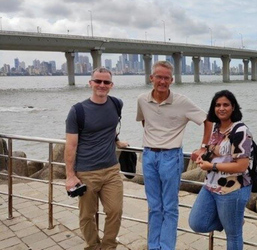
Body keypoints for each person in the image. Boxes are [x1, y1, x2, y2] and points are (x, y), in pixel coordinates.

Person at [136, 60, 212, 250]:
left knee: (169, 206)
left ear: (172, 80)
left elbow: (208, 120)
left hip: (171, 157)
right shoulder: (142, 100)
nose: (162, 81)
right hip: (148, 156)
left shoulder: (182, 102)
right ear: (151, 78)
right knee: (154, 206)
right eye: (158, 77)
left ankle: (167, 247)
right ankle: (154, 246)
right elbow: (145, 122)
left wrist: (204, 147)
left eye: (166, 78)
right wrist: (155, 138)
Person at [65, 67, 128, 250]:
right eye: (98, 81)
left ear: (111, 85)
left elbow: (110, 126)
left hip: (111, 170)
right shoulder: (77, 111)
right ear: (90, 83)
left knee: (115, 211)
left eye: (106, 82)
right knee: (87, 215)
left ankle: (108, 247)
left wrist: (117, 141)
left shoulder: (117, 104)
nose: (102, 85)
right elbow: (71, 145)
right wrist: (70, 175)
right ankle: (92, 246)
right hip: (86, 172)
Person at [189, 90, 253, 250]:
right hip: (211, 186)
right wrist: (202, 156)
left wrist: (213, 166)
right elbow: (215, 153)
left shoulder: (240, 131)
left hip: (232, 189)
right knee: (197, 223)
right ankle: (233, 220)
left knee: (233, 235)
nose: (221, 108)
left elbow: (242, 165)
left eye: (226, 105)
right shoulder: (217, 128)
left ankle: (233, 221)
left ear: (233, 108)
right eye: (217, 105)